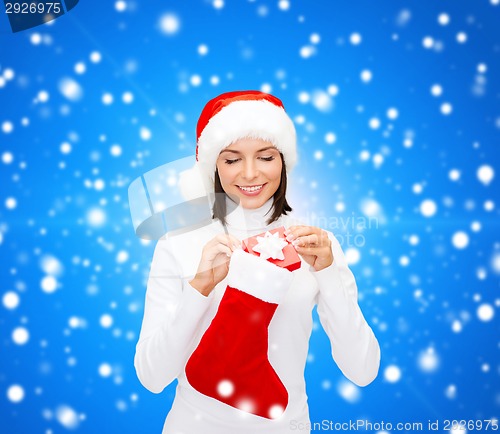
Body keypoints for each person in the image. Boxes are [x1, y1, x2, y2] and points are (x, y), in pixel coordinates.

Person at [134, 90, 380, 434]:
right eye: (232, 159)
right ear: (212, 167)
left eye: (265, 157)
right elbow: (152, 377)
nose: (250, 174)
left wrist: (328, 275)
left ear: (283, 160)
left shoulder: (314, 245)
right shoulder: (179, 243)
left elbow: (362, 369)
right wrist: (199, 288)